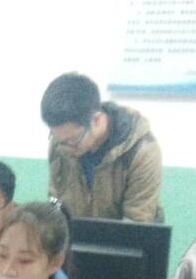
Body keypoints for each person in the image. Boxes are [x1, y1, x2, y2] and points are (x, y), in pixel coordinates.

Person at [41, 72, 163, 222]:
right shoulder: (60, 143)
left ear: (97, 120)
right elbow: (55, 206)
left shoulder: (142, 151)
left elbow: (137, 222)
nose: (66, 148)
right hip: (75, 234)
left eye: (73, 140)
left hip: (125, 235)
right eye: (59, 139)